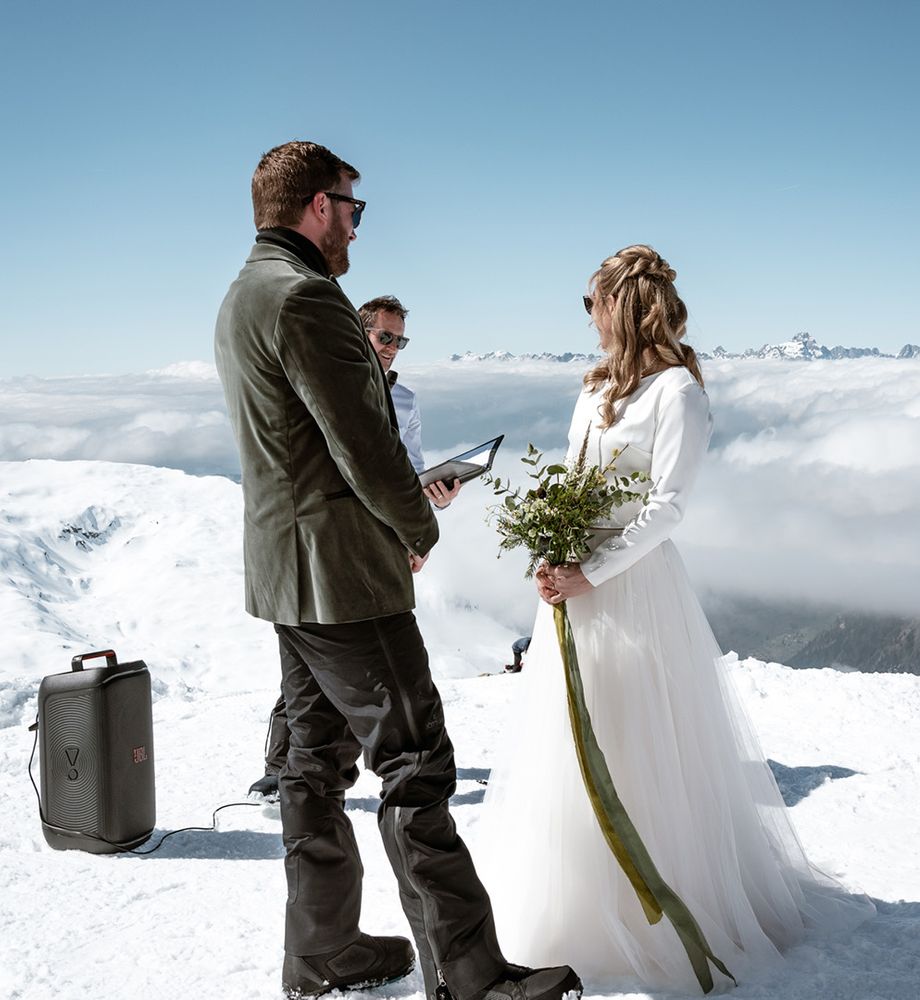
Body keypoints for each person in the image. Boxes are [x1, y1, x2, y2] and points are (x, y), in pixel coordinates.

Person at [215, 141, 581, 1000]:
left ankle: (322, 952)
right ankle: (471, 976)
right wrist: (419, 525)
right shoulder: (307, 299)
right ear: (315, 206)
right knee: (414, 762)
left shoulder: (244, 293)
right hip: (345, 577)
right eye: (351, 205)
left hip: (287, 579)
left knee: (312, 765)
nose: (355, 224)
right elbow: (365, 446)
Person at [475, 245, 873, 994]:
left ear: (619, 307)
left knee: (638, 738)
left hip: (632, 590)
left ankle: (649, 903)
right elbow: (572, 482)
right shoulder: (590, 390)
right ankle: (561, 905)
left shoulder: (676, 394)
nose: (586, 318)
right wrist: (553, 553)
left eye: (591, 303)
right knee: (564, 739)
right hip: (570, 587)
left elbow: (669, 507)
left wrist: (593, 571)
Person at [248, 294, 459, 801]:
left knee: (356, 660)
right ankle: (283, 768)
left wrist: (433, 500)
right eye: (385, 336)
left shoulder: (405, 399)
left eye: (400, 339)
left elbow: (406, 468)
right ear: (359, 332)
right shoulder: (335, 383)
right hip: (335, 542)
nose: (392, 348)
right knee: (313, 648)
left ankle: (335, 762)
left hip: (387, 536)